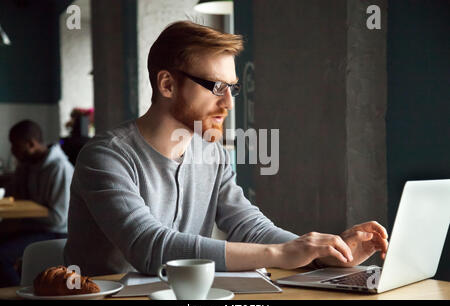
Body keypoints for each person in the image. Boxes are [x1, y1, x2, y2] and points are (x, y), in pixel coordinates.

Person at [64, 21, 389, 277]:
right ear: (167, 84)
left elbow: (250, 227)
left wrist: (323, 255)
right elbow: (149, 249)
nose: (228, 103)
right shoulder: (106, 157)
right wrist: (282, 254)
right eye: (217, 87)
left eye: (232, 88)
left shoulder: (213, 154)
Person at [0, 120, 74, 287]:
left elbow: (58, 219)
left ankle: (17, 295)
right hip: (34, 227)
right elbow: (13, 195)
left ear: (31, 144)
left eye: (15, 145)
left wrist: (21, 225)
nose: (12, 150)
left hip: (57, 233)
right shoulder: (27, 165)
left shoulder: (60, 168)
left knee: (1, 256)